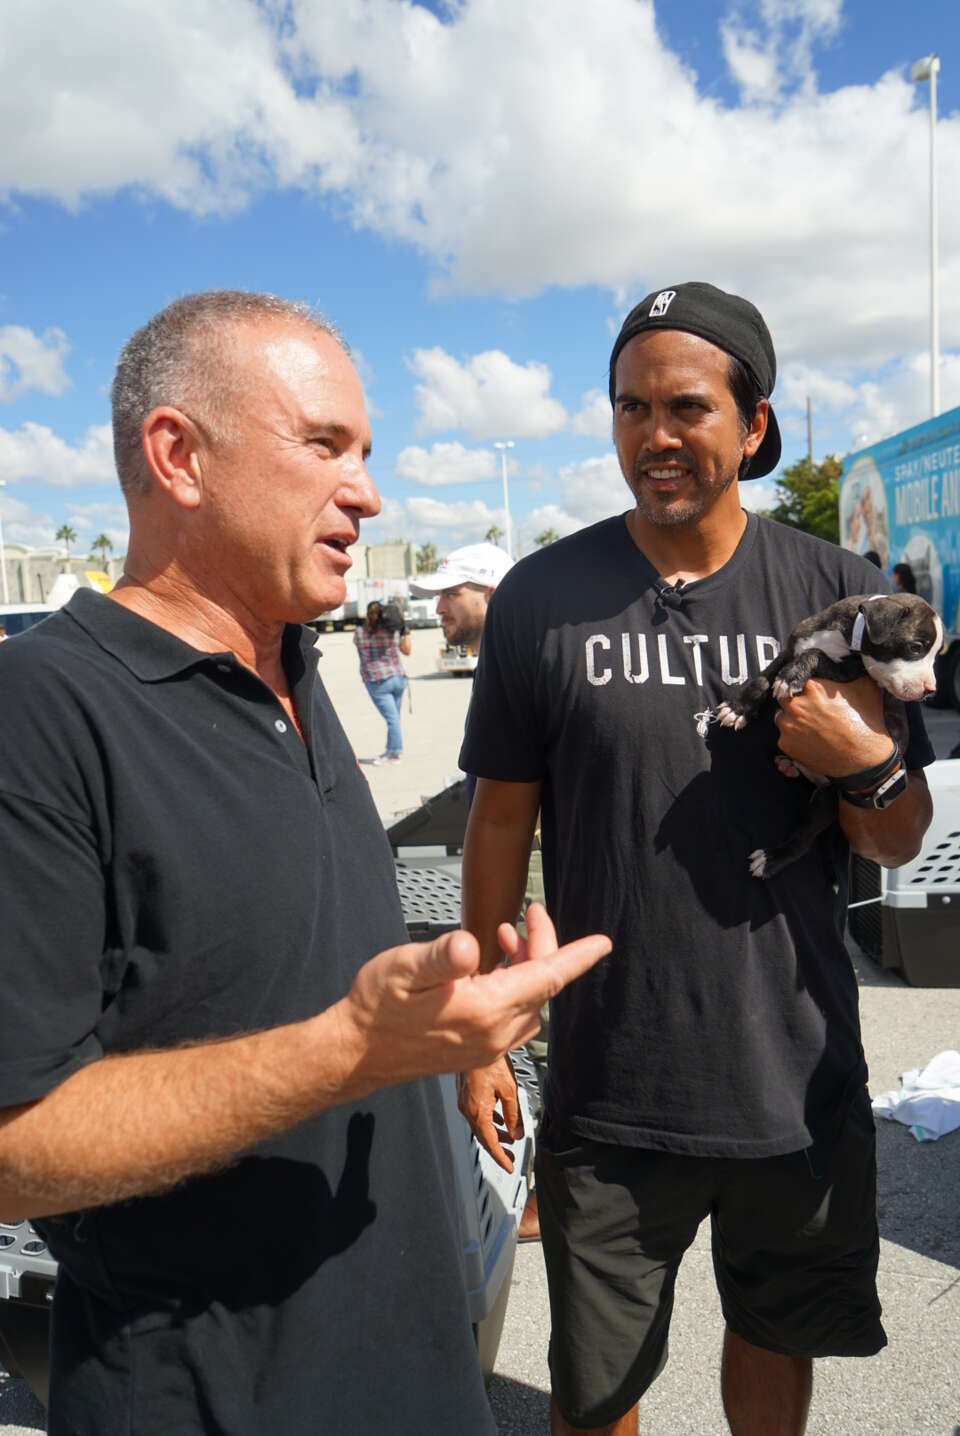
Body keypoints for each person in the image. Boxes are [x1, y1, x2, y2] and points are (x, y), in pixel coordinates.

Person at [0, 290, 611, 1436]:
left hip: (423, 1373)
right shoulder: (40, 713)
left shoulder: (294, 666)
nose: (368, 491)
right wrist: (346, 1049)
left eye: (365, 451)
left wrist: (452, 1032)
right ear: (178, 455)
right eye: (324, 444)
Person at [457, 281, 935, 1436]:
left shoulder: (836, 592)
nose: (654, 436)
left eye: (686, 407)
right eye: (630, 409)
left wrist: (861, 758)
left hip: (797, 1076)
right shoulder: (542, 598)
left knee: (775, 1343)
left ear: (753, 424)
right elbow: (497, 825)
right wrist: (479, 1032)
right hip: (613, 1084)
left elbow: (900, 834)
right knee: (598, 1382)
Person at [410, 541, 546, 1242]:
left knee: (543, 1024)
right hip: (520, 859)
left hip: (536, 866)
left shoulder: (524, 655)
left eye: (450, 593)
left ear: (490, 592)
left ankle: (555, 1196)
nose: (438, 607)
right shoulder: (503, 657)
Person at [354, 597, 411, 763]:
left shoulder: (359, 633)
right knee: (394, 719)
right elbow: (406, 650)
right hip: (398, 678)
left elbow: (356, 643)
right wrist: (404, 629)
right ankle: (390, 749)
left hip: (377, 681)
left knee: (392, 719)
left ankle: (394, 753)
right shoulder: (392, 633)